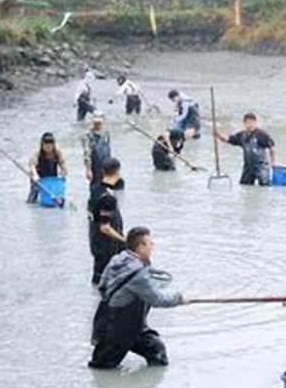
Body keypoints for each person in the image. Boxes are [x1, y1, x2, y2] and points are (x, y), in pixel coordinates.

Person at [89, 227, 183, 369]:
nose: (153, 246)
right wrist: (179, 298)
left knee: (156, 351)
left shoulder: (117, 259)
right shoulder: (139, 274)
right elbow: (157, 299)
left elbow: (102, 287)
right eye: (150, 243)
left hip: (125, 325)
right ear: (140, 247)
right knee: (102, 369)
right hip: (117, 332)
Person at [88, 158, 126, 285]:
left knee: (98, 277)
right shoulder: (108, 198)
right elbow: (105, 227)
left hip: (95, 240)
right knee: (105, 280)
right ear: (118, 172)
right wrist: (123, 239)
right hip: (106, 245)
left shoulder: (95, 189)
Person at [215, 113, 276, 186]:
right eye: (248, 122)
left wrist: (273, 163)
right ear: (244, 124)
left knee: (264, 186)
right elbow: (229, 139)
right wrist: (218, 135)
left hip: (261, 166)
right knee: (244, 186)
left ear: (255, 123)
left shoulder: (262, 135)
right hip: (248, 167)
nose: (250, 125)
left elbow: (272, 147)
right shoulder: (241, 135)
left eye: (252, 122)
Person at [27, 132, 68, 203]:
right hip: (39, 180)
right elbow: (32, 165)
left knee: (53, 199)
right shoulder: (37, 153)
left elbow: (63, 165)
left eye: (50, 144)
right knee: (32, 201)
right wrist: (35, 175)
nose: (48, 146)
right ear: (42, 144)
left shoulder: (57, 153)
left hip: (51, 180)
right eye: (46, 144)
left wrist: (63, 173)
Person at [82, 112, 113, 188]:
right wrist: (88, 170)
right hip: (95, 167)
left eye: (99, 123)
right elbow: (87, 154)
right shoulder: (88, 135)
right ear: (92, 122)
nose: (97, 125)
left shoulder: (106, 133)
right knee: (95, 190)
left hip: (106, 167)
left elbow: (109, 151)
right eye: (96, 123)